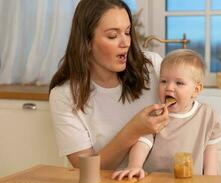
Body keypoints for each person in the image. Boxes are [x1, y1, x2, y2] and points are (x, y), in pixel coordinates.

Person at [48, 0, 169, 170]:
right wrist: (133, 130)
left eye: (127, 32)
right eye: (113, 36)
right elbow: (86, 170)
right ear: (87, 42)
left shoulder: (152, 67)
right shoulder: (65, 96)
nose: (125, 42)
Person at [112, 49, 221, 180]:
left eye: (179, 83)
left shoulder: (207, 116)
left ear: (196, 90)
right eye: (164, 81)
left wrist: (209, 181)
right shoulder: (156, 116)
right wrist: (134, 166)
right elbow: (142, 144)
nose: (169, 87)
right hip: (155, 181)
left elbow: (211, 153)